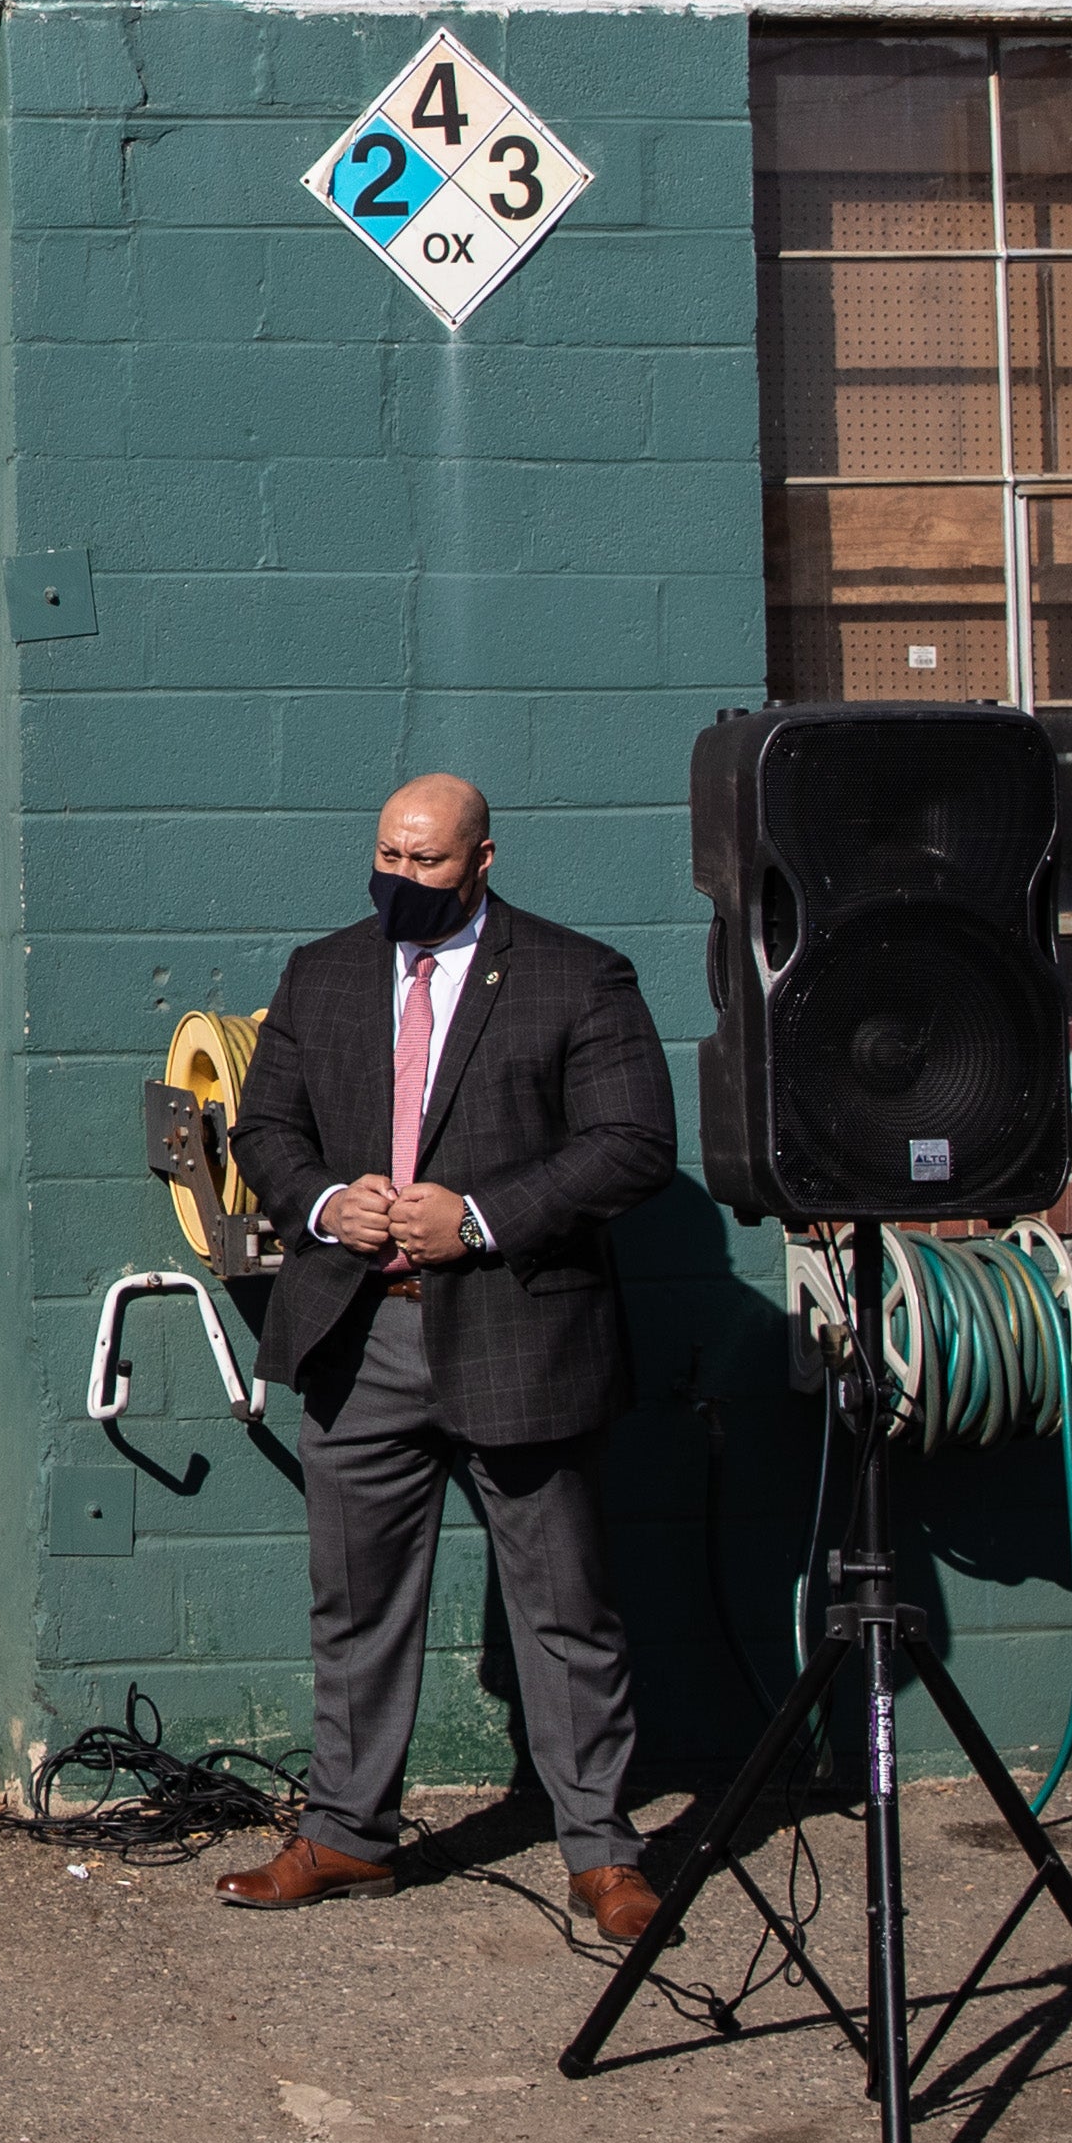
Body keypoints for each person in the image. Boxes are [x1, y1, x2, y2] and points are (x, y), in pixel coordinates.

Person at [215, 774, 676, 1940]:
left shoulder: (578, 975)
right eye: (385, 855)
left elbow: (632, 1145)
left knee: (562, 1606)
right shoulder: (322, 972)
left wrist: (475, 1219)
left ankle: (601, 1852)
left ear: (481, 859)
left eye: (425, 861)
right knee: (355, 1601)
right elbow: (265, 1128)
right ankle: (345, 1834)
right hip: (357, 1333)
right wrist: (325, 1204)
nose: (399, 879)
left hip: (518, 1329)